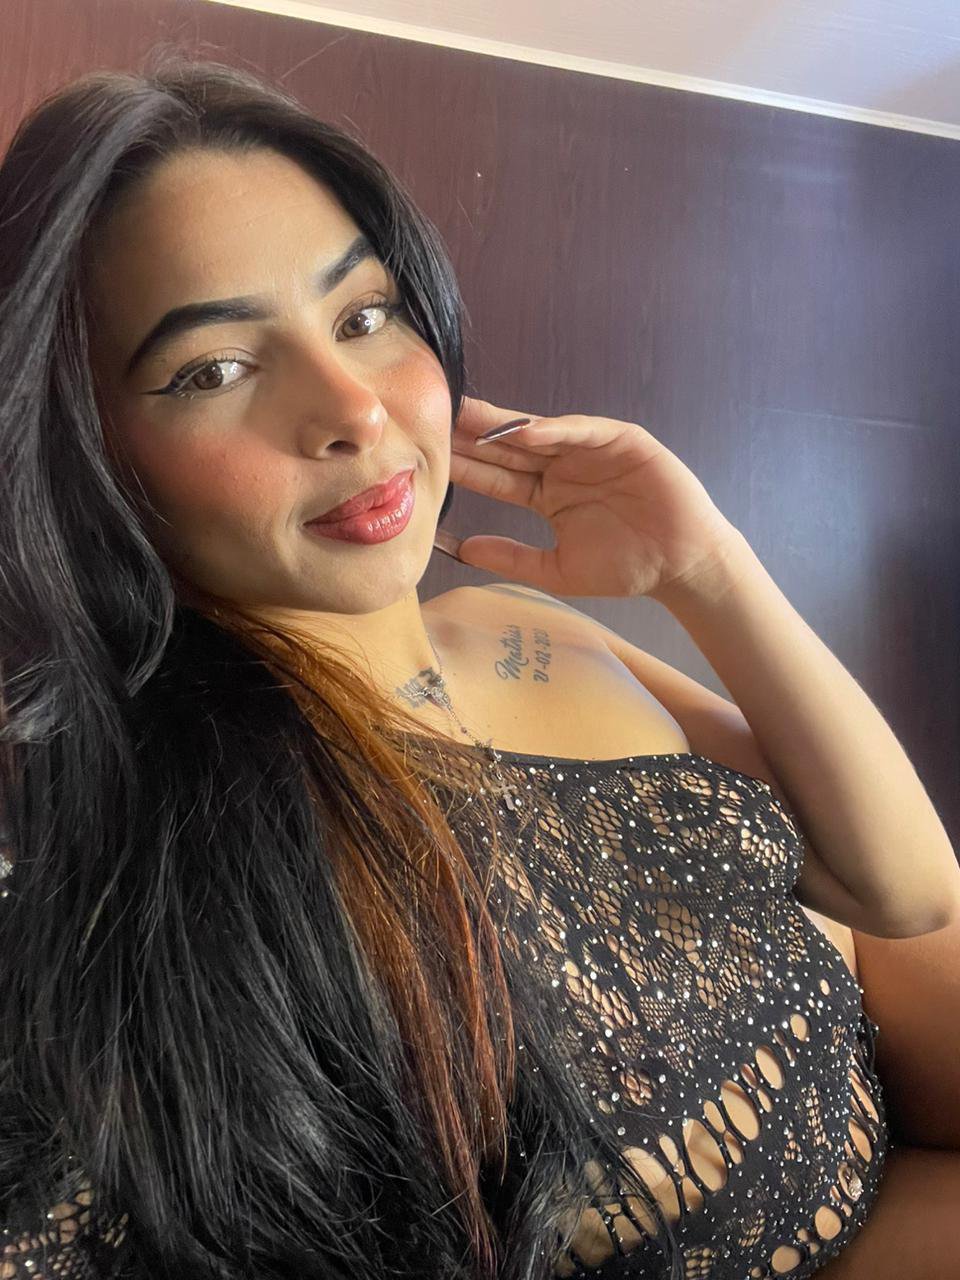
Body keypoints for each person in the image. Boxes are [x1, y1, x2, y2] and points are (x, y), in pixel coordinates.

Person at [1, 50, 958, 1280]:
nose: (354, 408)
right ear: (90, 452)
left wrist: (707, 568)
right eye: (214, 370)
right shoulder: (151, 835)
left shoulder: (528, 627)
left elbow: (906, 891)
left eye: (364, 316)